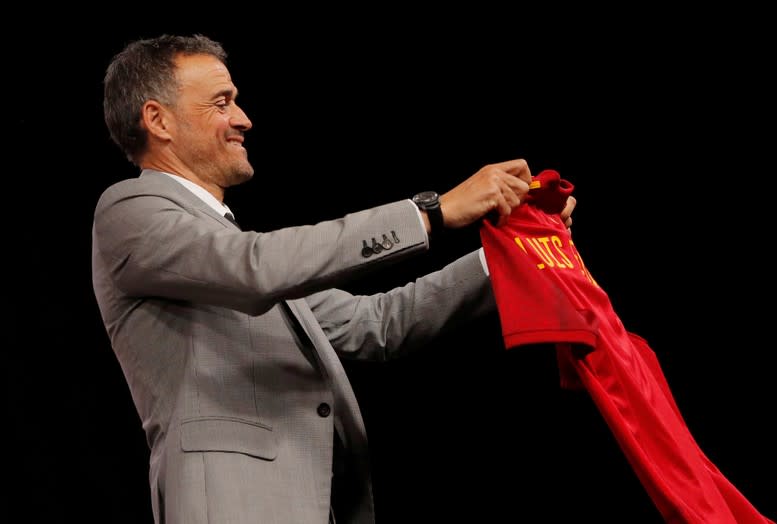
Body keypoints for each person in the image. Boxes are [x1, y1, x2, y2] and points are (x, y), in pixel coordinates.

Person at [91, 33, 576, 524]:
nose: (243, 119)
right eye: (222, 103)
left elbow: (377, 323)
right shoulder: (129, 210)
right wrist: (430, 212)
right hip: (234, 502)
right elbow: (254, 268)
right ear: (158, 120)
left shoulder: (238, 250)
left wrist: (512, 256)